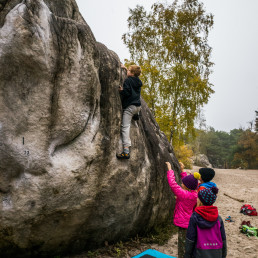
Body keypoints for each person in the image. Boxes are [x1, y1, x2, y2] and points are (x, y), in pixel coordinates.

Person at [166, 162, 200, 258]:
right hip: (190, 223)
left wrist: (170, 169)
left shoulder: (183, 194)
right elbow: (190, 183)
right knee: (189, 244)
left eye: (182, 183)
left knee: (182, 245)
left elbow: (173, 184)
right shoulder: (194, 194)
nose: (181, 183)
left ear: (185, 186)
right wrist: (182, 171)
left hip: (183, 224)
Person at [185, 187, 227, 258]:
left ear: (200, 201)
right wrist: (223, 255)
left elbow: (190, 239)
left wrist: (187, 255)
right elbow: (223, 239)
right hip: (216, 253)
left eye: (198, 198)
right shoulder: (218, 218)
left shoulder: (194, 217)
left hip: (199, 253)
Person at [116, 64, 142, 159]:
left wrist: (120, 90)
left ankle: (126, 151)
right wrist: (126, 68)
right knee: (136, 99)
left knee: (125, 127)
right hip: (138, 107)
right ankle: (136, 115)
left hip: (130, 108)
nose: (127, 72)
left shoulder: (127, 81)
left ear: (131, 73)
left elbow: (126, 92)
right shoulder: (138, 81)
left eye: (128, 71)